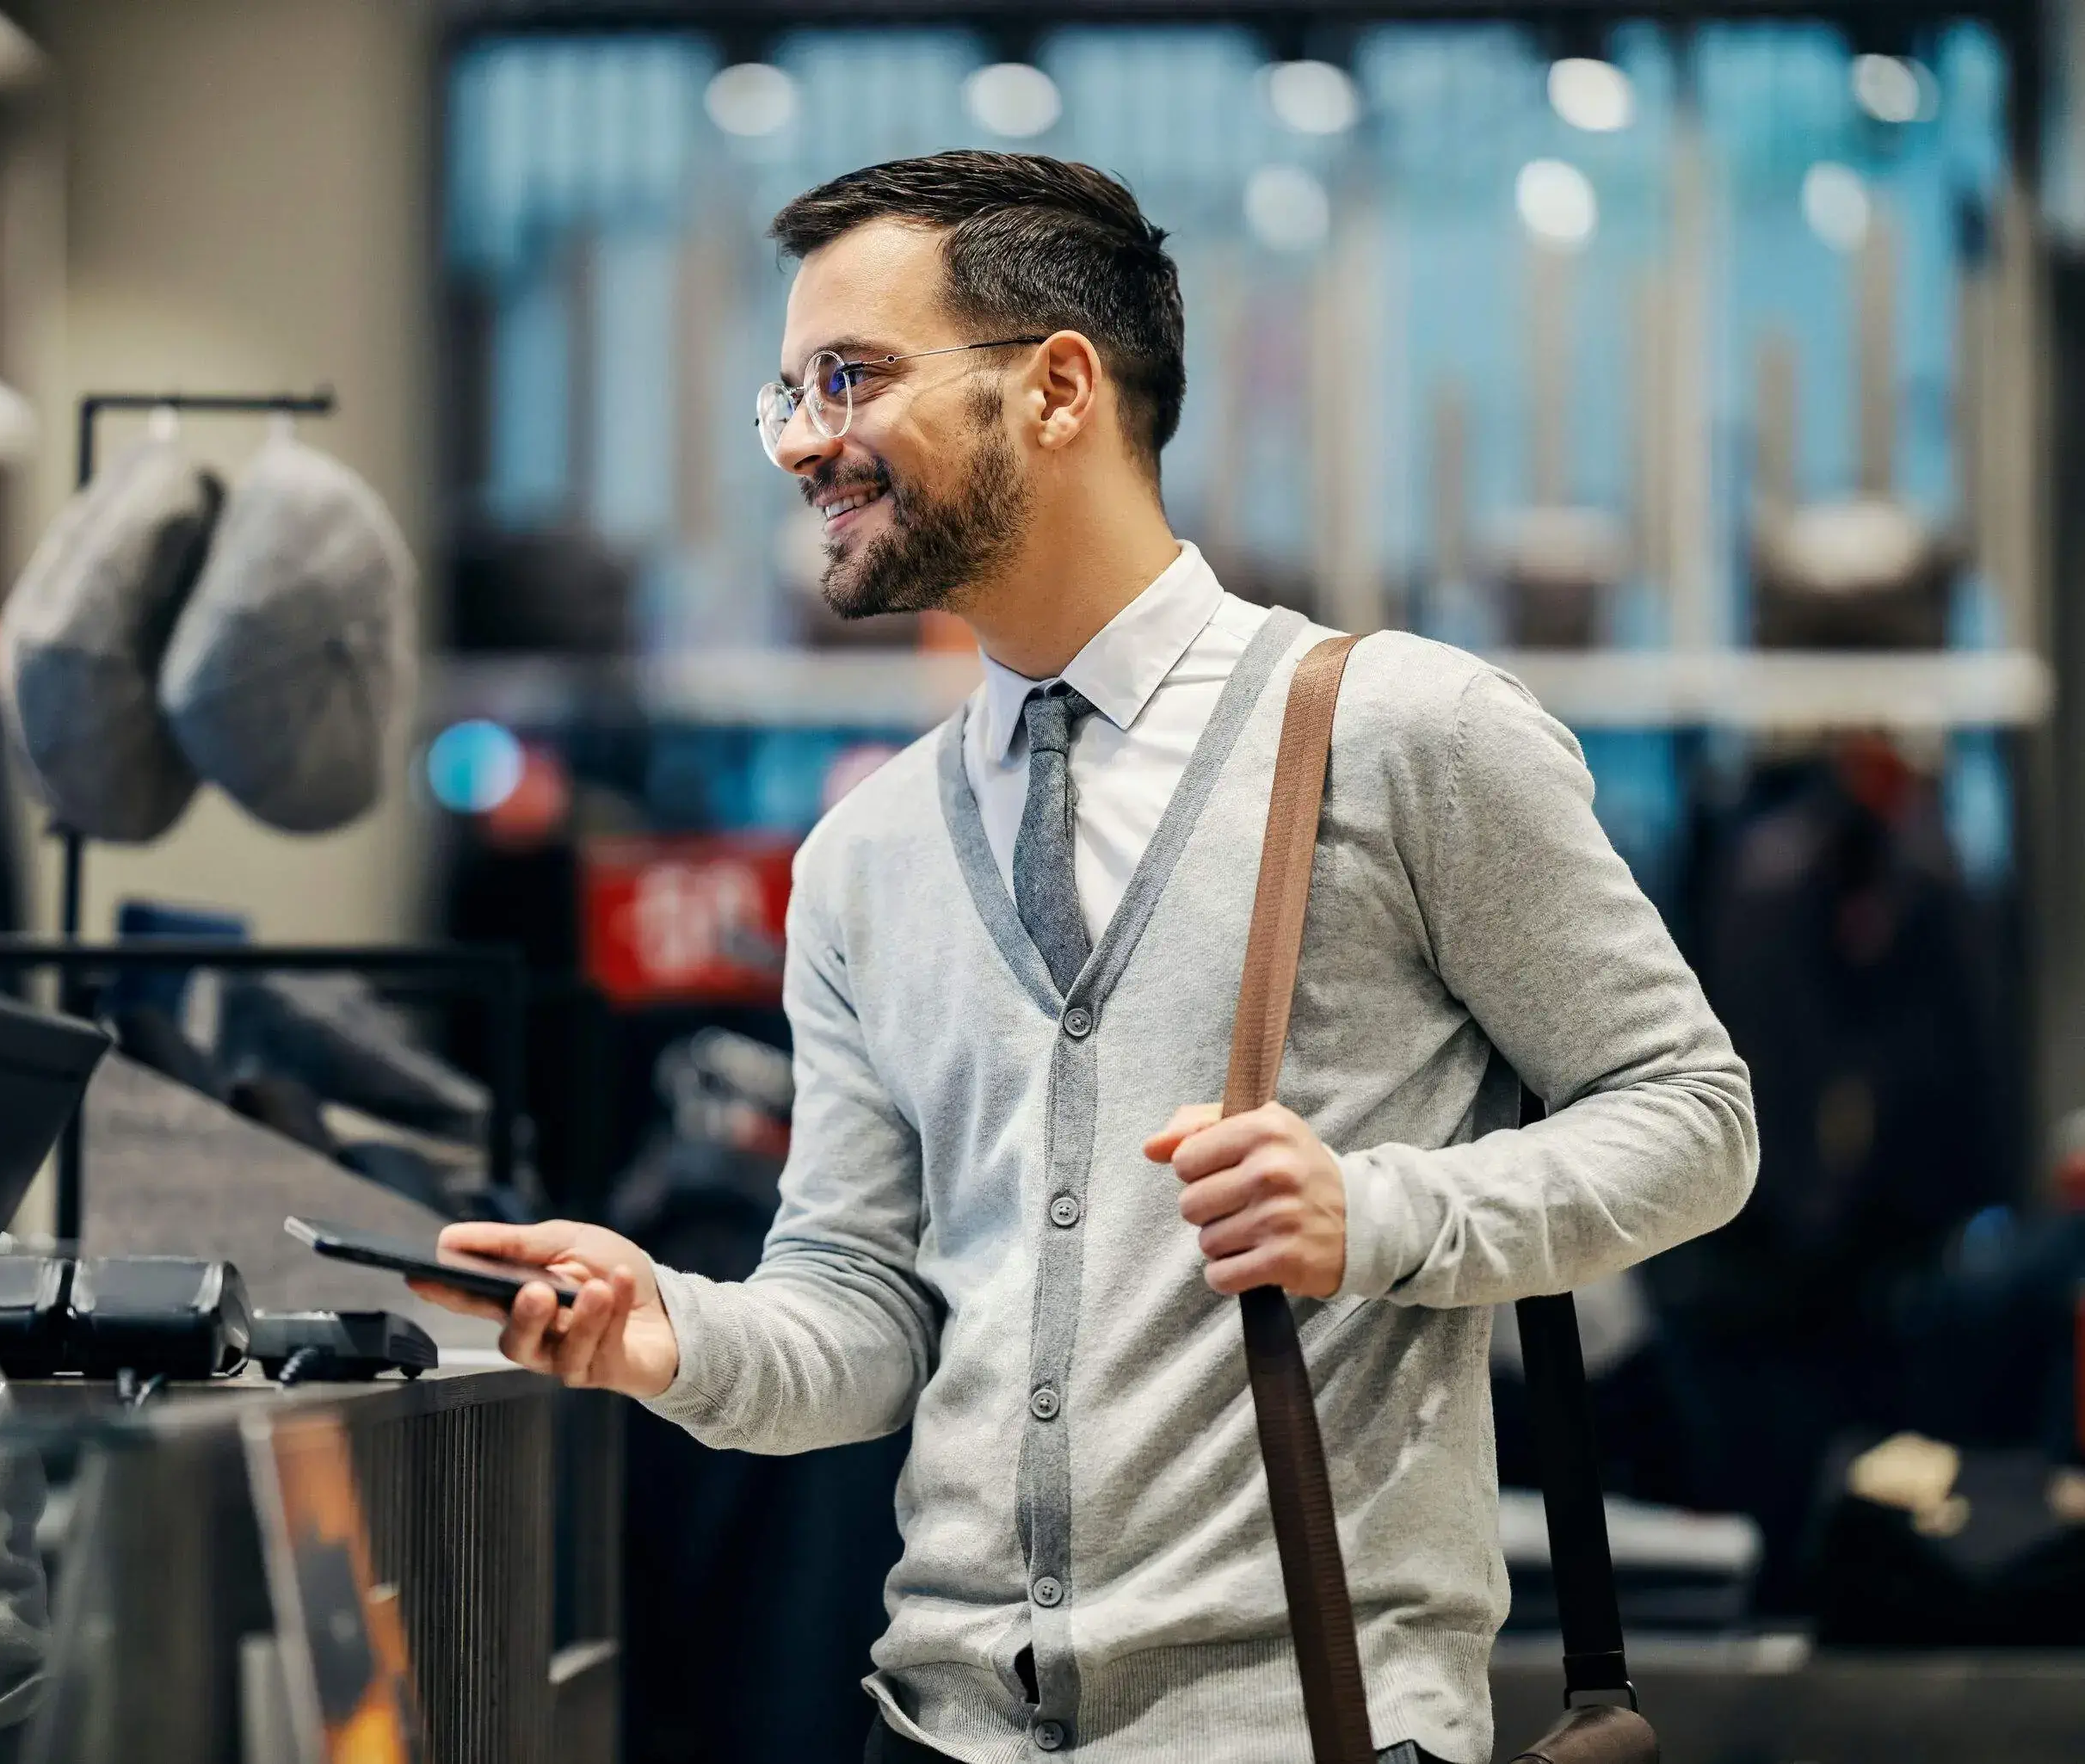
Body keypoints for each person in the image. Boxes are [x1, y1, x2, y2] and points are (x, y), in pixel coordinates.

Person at [411, 151, 1758, 1764]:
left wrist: (1381, 1211)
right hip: (933, 1727)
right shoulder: (866, 860)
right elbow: (863, 1312)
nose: (805, 443)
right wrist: (670, 1338)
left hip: (1306, 1729)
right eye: (785, 393)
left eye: (850, 377)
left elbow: (1694, 1114)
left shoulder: (1404, 734)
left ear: (1058, 386)